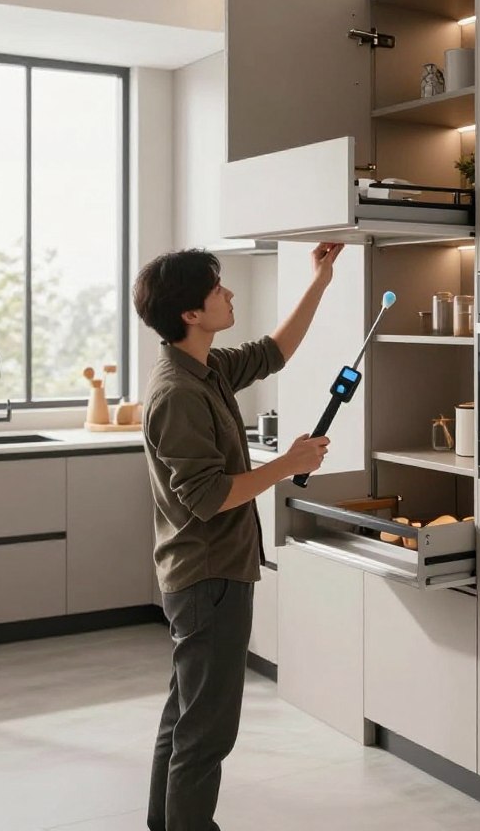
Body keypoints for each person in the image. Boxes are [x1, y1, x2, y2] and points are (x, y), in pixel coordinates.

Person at [132, 241, 343, 831]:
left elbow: (275, 352)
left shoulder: (206, 365)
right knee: (207, 731)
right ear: (190, 313)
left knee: (185, 715)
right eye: (218, 288)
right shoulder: (178, 392)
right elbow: (207, 498)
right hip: (208, 578)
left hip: (207, 574)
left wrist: (320, 281)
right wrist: (290, 462)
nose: (230, 294)